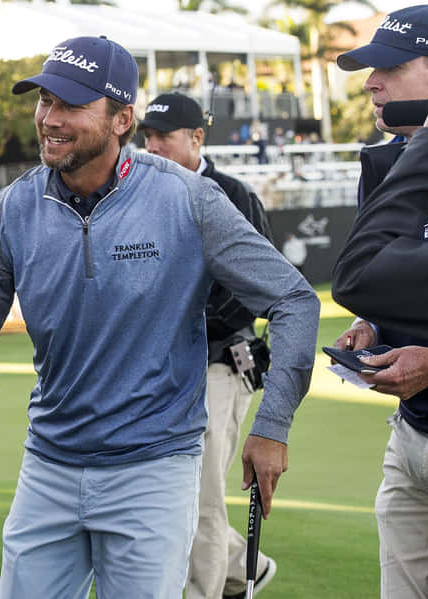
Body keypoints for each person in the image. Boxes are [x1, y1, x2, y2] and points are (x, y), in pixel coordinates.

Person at [0, 35, 320, 599]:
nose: (49, 119)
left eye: (70, 105)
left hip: (154, 469)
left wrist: (272, 425)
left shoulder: (187, 198)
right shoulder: (12, 207)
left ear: (122, 118)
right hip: (49, 464)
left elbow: (294, 300)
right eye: (43, 101)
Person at [332, 6, 428, 598]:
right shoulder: (387, 158)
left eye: (389, 67)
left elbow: (363, 272)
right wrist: (372, 322)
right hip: (412, 435)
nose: (371, 82)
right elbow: (387, 279)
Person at [138, 91, 276, 599]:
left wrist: (182, 326)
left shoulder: (234, 195)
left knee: (202, 501)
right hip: (159, 367)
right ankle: (243, 566)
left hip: (219, 364)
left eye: (163, 137)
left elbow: (254, 292)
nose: (151, 147)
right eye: (146, 137)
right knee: (162, 493)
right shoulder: (136, 193)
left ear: (197, 137)